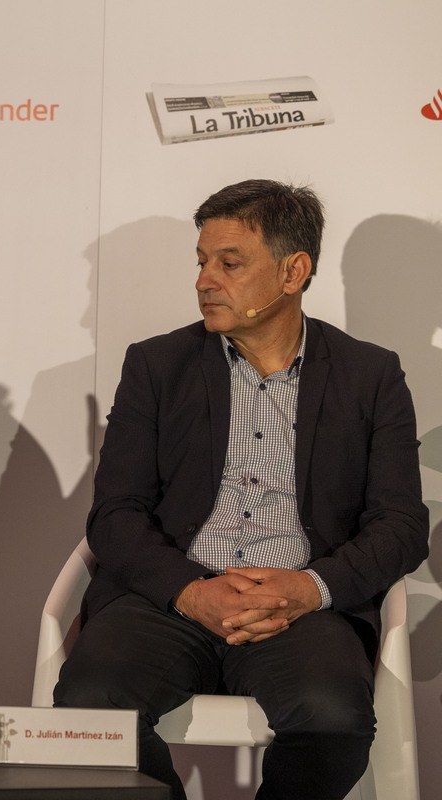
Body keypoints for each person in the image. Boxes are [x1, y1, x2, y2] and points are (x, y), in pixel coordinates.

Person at [53, 179, 429, 799]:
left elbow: (400, 524)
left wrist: (310, 587)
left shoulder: (371, 374)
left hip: (301, 607)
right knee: (92, 703)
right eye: (202, 262)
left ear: (293, 272)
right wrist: (190, 592)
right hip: (170, 599)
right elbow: (116, 514)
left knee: (333, 719)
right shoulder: (155, 366)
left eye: (229, 263)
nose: (205, 279)